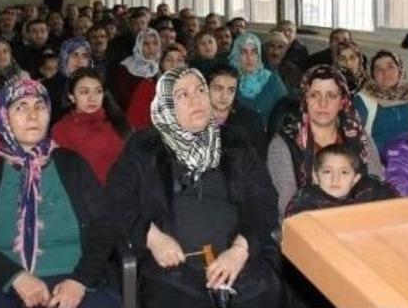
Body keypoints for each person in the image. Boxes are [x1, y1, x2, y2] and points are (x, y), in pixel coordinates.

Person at [107, 67, 282, 308]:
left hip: (239, 264)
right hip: (172, 271)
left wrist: (240, 250)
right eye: (183, 95)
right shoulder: (145, 147)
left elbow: (264, 200)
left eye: (200, 90)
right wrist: (153, 237)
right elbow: (117, 198)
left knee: (266, 294)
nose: (196, 99)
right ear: (166, 105)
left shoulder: (235, 142)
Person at [0, 78, 119, 308]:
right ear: (4, 116)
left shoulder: (72, 165)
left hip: (76, 281)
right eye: (21, 107)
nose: (33, 115)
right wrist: (16, 277)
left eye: (40, 106)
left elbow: (104, 225)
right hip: (5, 283)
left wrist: (80, 281)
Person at [267, 65, 385, 217]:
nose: (323, 103)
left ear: (342, 101)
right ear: (304, 99)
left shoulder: (359, 136)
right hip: (308, 223)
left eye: (331, 95)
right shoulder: (283, 144)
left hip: (360, 219)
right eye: (315, 95)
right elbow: (286, 205)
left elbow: (377, 184)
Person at [52, 68, 132, 185]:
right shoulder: (62, 130)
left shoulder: (118, 120)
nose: (92, 98)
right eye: (84, 92)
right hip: (88, 196)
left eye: (98, 91)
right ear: (71, 96)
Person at [285, 144, 396, 217]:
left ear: (355, 179)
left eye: (344, 172)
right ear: (315, 177)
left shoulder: (371, 190)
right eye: (327, 172)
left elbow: (396, 209)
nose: (335, 179)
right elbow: (297, 228)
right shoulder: (306, 199)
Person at [355, 50, 408, 162]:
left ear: (399, 70)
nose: (385, 73)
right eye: (378, 69)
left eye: (390, 67)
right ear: (372, 75)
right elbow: (357, 140)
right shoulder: (363, 99)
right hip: (382, 162)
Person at [228, 33, 287, 126]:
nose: (249, 57)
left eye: (254, 52)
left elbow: (284, 113)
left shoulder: (272, 80)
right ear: (236, 54)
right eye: (244, 52)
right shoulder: (227, 80)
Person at [126, 43, 187, 131]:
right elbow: (135, 116)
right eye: (169, 60)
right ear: (161, 63)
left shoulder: (192, 87)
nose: (174, 64)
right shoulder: (148, 85)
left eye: (179, 60)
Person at [42, 37, 93, 123]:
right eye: (74, 55)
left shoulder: (97, 84)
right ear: (64, 58)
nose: (80, 60)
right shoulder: (46, 87)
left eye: (84, 56)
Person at [109, 28, 161, 110]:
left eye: (155, 43)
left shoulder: (157, 67)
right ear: (138, 46)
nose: (151, 48)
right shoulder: (125, 68)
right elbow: (122, 100)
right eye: (145, 44)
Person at [263, 31, 302, 96]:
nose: (275, 52)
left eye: (280, 47)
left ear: (286, 50)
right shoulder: (256, 68)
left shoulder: (293, 70)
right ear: (265, 48)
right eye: (271, 46)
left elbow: (296, 95)